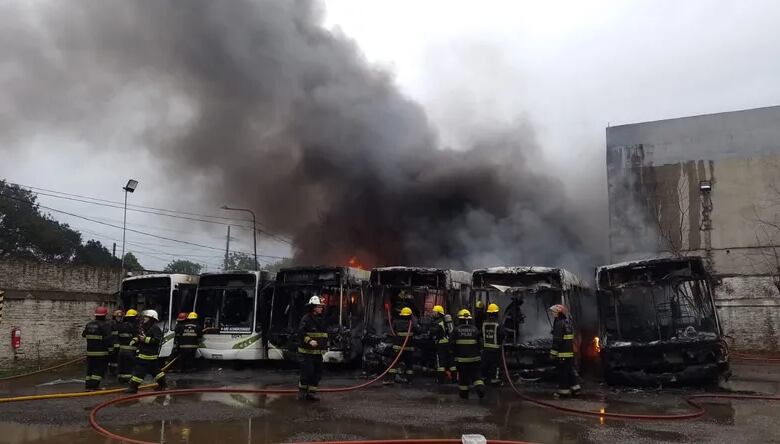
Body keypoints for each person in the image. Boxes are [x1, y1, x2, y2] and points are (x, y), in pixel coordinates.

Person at [126, 309, 167, 393]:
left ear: (151, 318)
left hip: (147, 355)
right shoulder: (145, 327)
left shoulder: (155, 328)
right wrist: (135, 339)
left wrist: (145, 339)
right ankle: (163, 385)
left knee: (139, 372)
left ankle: (133, 388)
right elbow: (140, 336)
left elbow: (156, 340)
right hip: (146, 355)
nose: (144, 318)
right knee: (156, 372)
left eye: (146, 317)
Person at [298, 296, 327, 401]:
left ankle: (311, 394)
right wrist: (309, 341)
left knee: (317, 373)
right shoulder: (306, 318)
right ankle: (302, 394)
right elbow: (301, 333)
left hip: (318, 353)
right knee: (307, 372)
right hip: (307, 352)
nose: (321, 308)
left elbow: (323, 334)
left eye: (321, 306)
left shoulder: (321, 319)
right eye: (319, 306)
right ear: (314, 307)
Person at [451, 309, 485, 399]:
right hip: (475, 359)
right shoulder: (475, 329)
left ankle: (464, 395)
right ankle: (480, 388)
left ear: (460, 319)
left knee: (463, 378)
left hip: (461, 361)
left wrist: (453, 354)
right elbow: (480, 344)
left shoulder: (456, 330)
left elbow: (451, 345)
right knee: (477, 375)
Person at [550, 304, 580, 399]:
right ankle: (576, 390)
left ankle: (563, 393)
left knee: (563, 373)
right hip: (569, 354)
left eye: (554, 312)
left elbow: (557, 341)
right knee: (570, 371)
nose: (552, 313)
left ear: (558, 313)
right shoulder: (567, 323)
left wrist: (552, 354)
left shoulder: (559, 324)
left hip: (561, 353)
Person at [82, 306, 113, 391]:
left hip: (90, 353)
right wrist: (111, 351)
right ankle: (93, 387)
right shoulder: (105, 326)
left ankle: (88, 386)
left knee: (90, 370)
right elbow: (108, 340)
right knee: (99, 370)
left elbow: (84, 335)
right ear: (104, 315)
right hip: (101, 353)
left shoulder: (89, 324)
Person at [388, 306, 419, 384]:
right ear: (410, 315)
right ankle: (410, 380)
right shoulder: (412, 324)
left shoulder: (396, 322)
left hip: (397, 347)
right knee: (409, 365)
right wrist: (413, 318)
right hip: (408, 348)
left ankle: (391, 379)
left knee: (393, 364)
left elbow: (391, 332)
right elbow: (419, 330)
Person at [481, 303, 506, 387]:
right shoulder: (498, 324)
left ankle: (484, 381)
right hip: (495, 351)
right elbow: (502, 334)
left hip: (485, 350)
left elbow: (481, 335)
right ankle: (495, 382)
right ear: (496, 313)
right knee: (495, 367)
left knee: (485, 366)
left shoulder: (484, 323)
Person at [429, 305, 455, 384]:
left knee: (440, 363)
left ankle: (440, 380)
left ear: (438, 313)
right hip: (449, 344)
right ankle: (454, 379)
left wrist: (429, 328)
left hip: (441, 345)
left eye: (434, 312)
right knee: (451, 362)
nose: (432, 313)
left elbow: (433, 332)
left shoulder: (438, 322)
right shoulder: (445, 321)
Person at [116, 309, 139, 384]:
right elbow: (138, 337)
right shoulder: (135, 326)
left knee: (122, 366)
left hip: (121, 350)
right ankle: (128, 383)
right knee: (129, 368)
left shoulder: (121, 325)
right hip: (131, 351)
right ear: (134, 317)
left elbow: (117, 337)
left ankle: (121, 381)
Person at [108, 309, 123, 376]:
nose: (119, 318)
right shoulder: (111, 324)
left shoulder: (121, 324)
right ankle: (112, 371)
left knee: (117, 359)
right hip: (112, 345)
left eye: (120, 317)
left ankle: (116, 371)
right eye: (117, 317)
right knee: (112, 359)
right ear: (114, 317)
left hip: (119, 345)